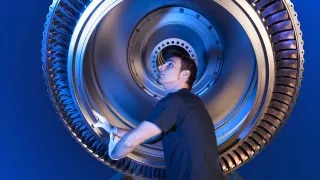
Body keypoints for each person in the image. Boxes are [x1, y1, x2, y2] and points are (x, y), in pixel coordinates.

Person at [93, 46, 224, 180]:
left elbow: (132, 140)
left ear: (185, 74)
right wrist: (112, 129)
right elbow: (147, 137)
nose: (161, 67)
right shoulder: (190, 104)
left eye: (170, 65)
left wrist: (113, 154)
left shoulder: (176, 100)